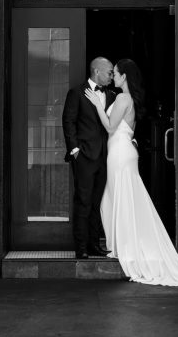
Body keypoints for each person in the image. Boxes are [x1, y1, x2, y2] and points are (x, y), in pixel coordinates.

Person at [83, 59, 178, 287]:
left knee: (118, 198)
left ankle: (123, 245)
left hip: (120, 154)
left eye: (115, 73)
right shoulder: (128, 99)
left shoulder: (123, 98)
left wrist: (96, 104)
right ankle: (122, 243)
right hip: (123, 151)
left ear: (124, 76)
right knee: (119, 198)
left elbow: (111, 128)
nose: (113, 76)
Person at [62, 56, 114, 260]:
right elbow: (68, 121)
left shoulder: (111, 95)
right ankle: (81, 247)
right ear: (97, 71)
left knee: (96, 202)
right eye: (109, 71)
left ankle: (94, 245)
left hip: (104, 157)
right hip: (84, 156)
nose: (111, 76)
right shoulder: (76, 93)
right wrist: (75, 151)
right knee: (83, 201)